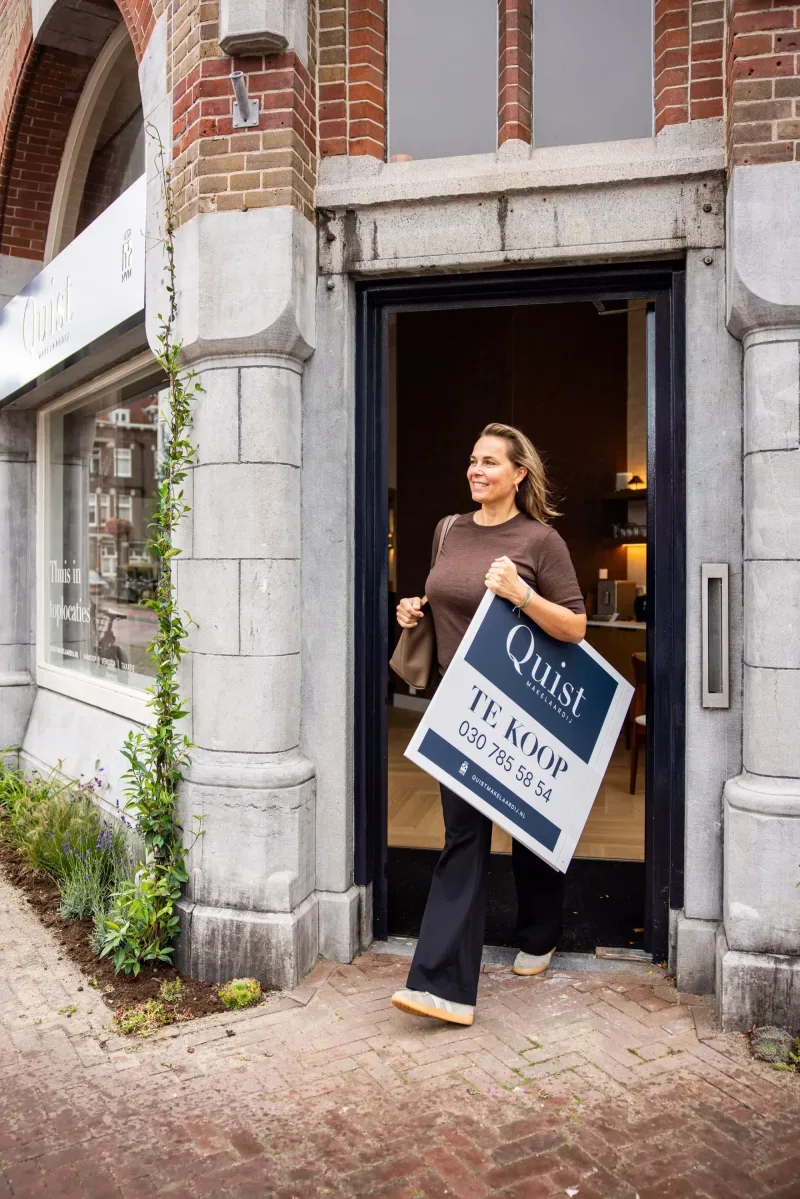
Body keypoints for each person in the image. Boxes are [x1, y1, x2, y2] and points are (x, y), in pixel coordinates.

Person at [391, 423, 587, 1028]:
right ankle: (441, 985)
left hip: (521, 707)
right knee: (464, 836)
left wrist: (521, 595)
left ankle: (540, 932)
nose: (476, 471)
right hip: (459, 702)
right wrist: (411, 611)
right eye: (472, 461)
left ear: (519, 474)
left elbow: (576, 627)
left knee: (528, 830)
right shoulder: (448, 530)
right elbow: (443, 603)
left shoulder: (541, 541)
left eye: (490, 463)